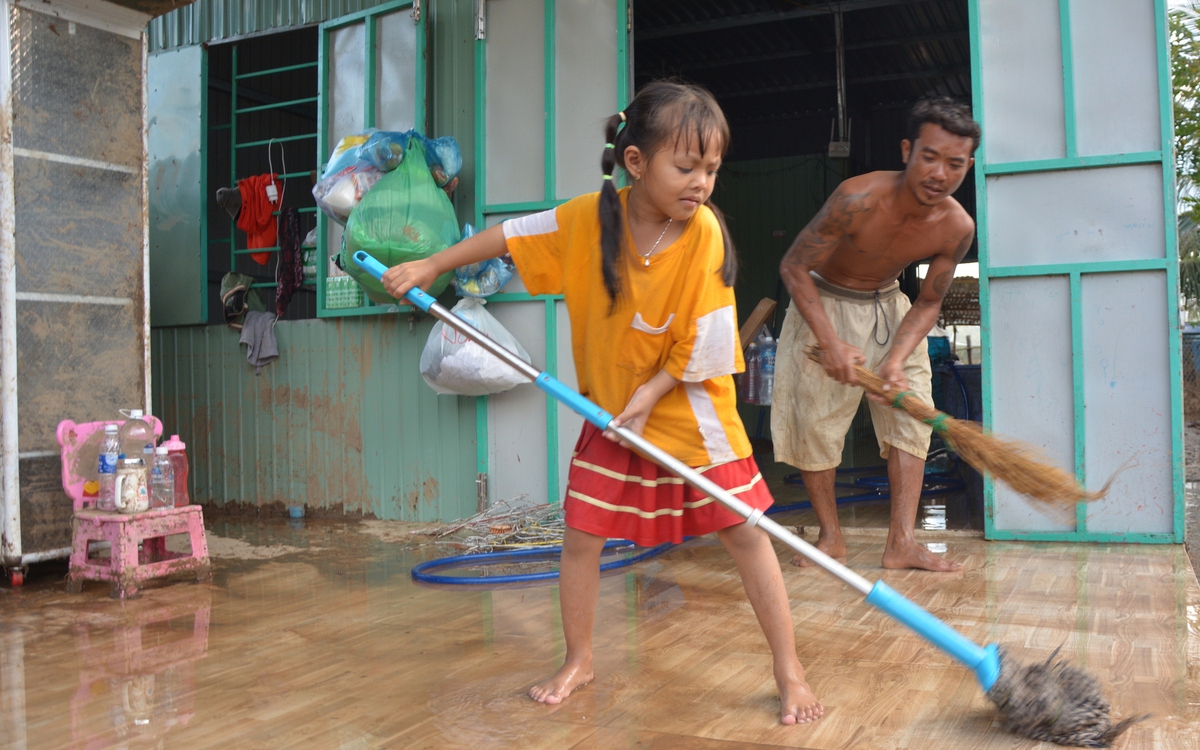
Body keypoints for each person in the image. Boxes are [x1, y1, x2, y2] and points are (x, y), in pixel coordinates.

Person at [381, 81, 823, 725]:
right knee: (583, 537)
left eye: (712, 169)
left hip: (690, 409)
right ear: (636, 163)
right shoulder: (587, 218)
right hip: (611, 413)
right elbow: (508, 235)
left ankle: (790, 671)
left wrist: (647, 397)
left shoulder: (704, 236)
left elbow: (702, 341)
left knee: (745, 534)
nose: (701, 182)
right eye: (686, 166)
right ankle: (579, 658)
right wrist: (431, 265)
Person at [772, 97, 979, 573]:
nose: (939, 174)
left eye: (955, 164)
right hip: (822, 303)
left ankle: (902, 543)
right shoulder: (857, 197)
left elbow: (928, 302)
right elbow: (794, 266)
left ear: (968, 165)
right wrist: (828, 340)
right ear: (907, 150)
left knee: (913, 418)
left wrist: (894, 360)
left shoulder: (956, 227)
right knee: (816, 425)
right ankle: (831, 539)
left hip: (891, 311)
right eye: (930, 157)